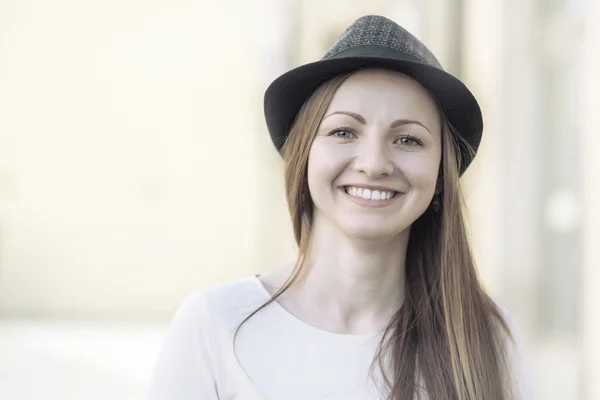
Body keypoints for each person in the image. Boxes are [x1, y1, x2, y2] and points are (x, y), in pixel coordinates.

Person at [147, 15, 530, 400]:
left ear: (440, 176)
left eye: (409, 139)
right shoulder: (215, 324)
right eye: (343, 131)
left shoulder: (487, 336)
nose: (374, 163)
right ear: (304, 156)